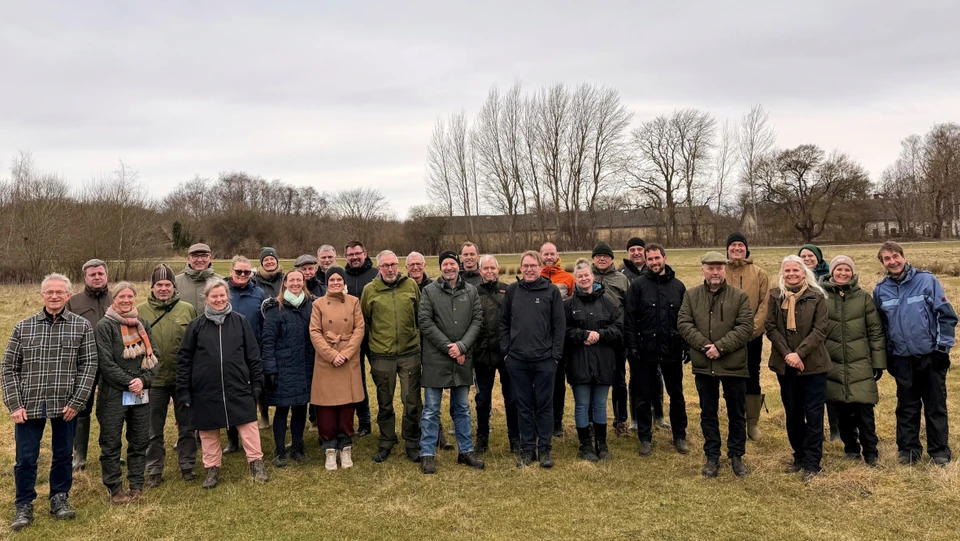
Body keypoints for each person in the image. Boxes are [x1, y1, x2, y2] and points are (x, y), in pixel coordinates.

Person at [2, 273, 97, 531]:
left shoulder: (81, 327)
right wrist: (15, 404)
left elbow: (89, 366)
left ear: (68, 295)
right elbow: (9, 368)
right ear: (42, 295)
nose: (54, 296)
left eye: (60, 292)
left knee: (63, 455)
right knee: (25, 458)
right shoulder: (24, 327)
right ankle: (24, 504)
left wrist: (77, 402)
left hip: (66, 405)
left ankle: (59, 498)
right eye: (50, 292)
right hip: (30, 404)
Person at [177, 279, 268, 489]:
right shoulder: (196, 326)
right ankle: (212, 468)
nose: (219, 299)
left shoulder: (240, 322)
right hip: (205, 390)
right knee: (208, 431)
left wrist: (257, 383)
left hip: (238, 386)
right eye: (214, 296)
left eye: (222, 295)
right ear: (206, 299)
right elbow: (184, 360)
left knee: (248, 426)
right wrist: (184, 389)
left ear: (228, 296)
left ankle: (256, 462)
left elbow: (253, 355)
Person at [873, 241, 957, 466]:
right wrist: (887, 356)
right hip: (902, 359)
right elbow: (881, 327)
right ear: (882, 263)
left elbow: (946, 316)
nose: (892, 262)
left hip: (930, 356)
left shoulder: (927, 281)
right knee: (907, 406)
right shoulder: (880, 290)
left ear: (903, 256)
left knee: (935, 405)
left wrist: (942, 349)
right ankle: (908, 450)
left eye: (895, 256)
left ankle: (939, 451)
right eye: (887, 259)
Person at [678, 252, 754, 478]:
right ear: (703, 270)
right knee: (708, 412)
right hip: (705, 365)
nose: (715, 272)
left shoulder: (739, 297)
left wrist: (720, 347)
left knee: (736, 412)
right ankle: (712, 456)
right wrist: (705, 346)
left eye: (719, 268)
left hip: (733, 365)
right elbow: (684, 323)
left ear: (725, 270)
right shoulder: (691, 295)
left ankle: (736, 455)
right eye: (710, 268)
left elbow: (745, 327)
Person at [418, 251, 485, 474]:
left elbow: (477, 321)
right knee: (431, 410)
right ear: (440, 267)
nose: (449, 268)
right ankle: (427, 453)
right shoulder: (429, 291)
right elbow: (425, 322)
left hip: (462, 359)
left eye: (452, 264)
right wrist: (450, 348)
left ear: (458, 266)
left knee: (462, 408)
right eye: (445, 264)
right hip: (436, 359)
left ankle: (465, 451)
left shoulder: (471, 291)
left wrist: (462, 347)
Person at [766, 255, 831, 481]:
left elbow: (820, 329)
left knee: (813, 415)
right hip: (786, 366)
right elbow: (771, 327)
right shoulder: (775, 296)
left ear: (804, 273)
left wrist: (799, 354)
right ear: (782, 273)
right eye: (787, 271)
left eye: (796, 270)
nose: (791, 274)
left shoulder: (817, 296)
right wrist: (788, 355)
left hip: (813, 365)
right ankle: (799, 457)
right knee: (793, 414)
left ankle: (813, 463)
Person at [95, 282, 159, 504]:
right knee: (111, 441)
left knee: (139, 440)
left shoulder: (142, 324)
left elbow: (155, 356)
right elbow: (105, 362)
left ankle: (136, 485)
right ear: (114, 299)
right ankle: (114, 488)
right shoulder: (105, 326)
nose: (126, 300)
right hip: (112, 394)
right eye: (121, 296)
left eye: (130, 296)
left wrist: (143, 381)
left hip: (140, 394)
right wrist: (130, 382)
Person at [500, 251, 565, 468]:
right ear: (521, 267)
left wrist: (555, 356)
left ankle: (544, 450)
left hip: (544, 359)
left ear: (540, 267)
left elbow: (559, 326)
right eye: (525, 266)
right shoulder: (512, 291)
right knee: (524, 406)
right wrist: (506, 352)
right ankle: (528, 450)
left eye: (533, 266)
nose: (529, 269)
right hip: (517, 360)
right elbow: (504, 323)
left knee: (545, 406)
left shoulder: (551, 291)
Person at [624, 243, 689, 457]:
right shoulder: (638, 286)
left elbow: (685, 320)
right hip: (645, 351)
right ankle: (645, 437)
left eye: (657, 258)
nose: (654, 262)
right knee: (643, 396)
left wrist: (686, 345)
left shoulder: (678, 287)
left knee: (676, 394)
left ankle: (679, 435)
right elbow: (630, 320)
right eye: (650, 259)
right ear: (646, 260)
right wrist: (632, 346)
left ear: (664, 258)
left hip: (671, 350)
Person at [821, 255, 886, 466]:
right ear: (832, 272)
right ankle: (851, 448)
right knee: (841, 410)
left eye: (847, 270)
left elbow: (875, 331)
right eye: (839, 269)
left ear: (852, 272)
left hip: (860, 363)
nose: (843, 273)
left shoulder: (863, 297)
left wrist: (878, 362)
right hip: (833, 363)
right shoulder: (821, 297)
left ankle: (871, 452)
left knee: (864, 410)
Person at [361, 250, 423, 463]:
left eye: (393, 264)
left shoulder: (411, 286)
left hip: (409, 353)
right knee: (384, 402)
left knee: (412, 400)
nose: (390, 269)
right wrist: (372, 350)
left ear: (399, 265)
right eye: (385, 265)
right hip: (382, 355)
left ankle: (412, 442)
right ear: (378, 268)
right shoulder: (370, 290)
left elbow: (419, 316)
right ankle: (386, 441)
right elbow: (365, 322)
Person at [141, 264, 199, 488]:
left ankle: (187, 465)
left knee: (187, 425)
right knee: (153, 429)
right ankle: (154, 469)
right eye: (159, 285)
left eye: (167, 284)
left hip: (182, 378)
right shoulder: (140, 311)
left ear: (174, 287)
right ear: (152, 287)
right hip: (153, 380)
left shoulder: (187, 309)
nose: (163, 288)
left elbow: (196, 342)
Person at [565, 259, 623, 462]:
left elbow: (618, 328)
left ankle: (602, 443)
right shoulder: (568, 305)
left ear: (592, 277)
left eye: (587, 275)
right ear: (575, 279)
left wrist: (600, 334)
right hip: (579, 361)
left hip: (603, 361)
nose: (584, 279)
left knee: (600, 404)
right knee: (582, 404)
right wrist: (582, 335)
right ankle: (585, 444)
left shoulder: (608, 302)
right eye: (580, 276)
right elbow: (563, 331)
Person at [310, 266, 365, 470]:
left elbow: (359, 329)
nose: (335, 283)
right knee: (326, 407)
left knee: (346, 406)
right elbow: (315, 332)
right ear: (327, 282)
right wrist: (332, 355)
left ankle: (346, 445)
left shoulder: (354, 301)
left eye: (338, 279)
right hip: (326, 360)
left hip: (348, 359)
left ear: (344, 282)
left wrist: (346, 353)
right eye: (331, 280)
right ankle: (330, 448)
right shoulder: (318, 304)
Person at [261, 270, 315, 467]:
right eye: (291, 280)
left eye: (299, 280)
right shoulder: (275, 308)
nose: (295, 283)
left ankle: (298, 446)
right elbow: (267, 342)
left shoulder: (311, 306)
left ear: (303, 282)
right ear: (285, 283)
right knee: (282, 409)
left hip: (305, 364)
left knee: (301, 408)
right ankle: (280, 450)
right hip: (284, 366)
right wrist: (270, 369)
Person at [65, 259, 112, 472]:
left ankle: (110, 452)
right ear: (85, 277)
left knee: (111, 410)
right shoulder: (73, 302)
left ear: (106, 275)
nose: (97, 277)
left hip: (111, 365)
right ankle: (79, 455)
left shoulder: (117, 298)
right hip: (83, 365)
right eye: (92, 274)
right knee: (82, 409)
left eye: (100, 273)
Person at [618, 238, 666, 434]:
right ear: (628, 253)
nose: (636, 252)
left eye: (639, 249)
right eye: (632, 249)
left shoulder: (656, 269)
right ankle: (636, 418)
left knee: (657, 375)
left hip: (654, 333)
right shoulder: (622, 273)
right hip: (633, 334)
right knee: (636, 377)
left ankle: (659, 414)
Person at [725, 232, 770, 442]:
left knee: (752, 375)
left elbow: (765, 305)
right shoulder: (720, 270)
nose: (737, 248)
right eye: (733, 245)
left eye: (740, 245)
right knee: (729, 378)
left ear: (746, 249)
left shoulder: (759, 273)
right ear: (727, 249)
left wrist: (750, 330)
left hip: (751, 336)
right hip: (725, 337)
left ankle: (752, 423)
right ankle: (735, 419)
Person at [474, 255, 519, 453]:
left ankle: (515, 438)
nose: (490, 271)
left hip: (507, 353)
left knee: (512, 398)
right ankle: (482, 438)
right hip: (482, 353)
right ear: (480, 271)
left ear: (498, 269)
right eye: (486, 268)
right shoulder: (473, 292)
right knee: (483, 400)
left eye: (493, 268)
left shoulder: (509, 290)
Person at [590, 241, 631, 437]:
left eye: (605, 256)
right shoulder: (586, 277)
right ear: (593, 259)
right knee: (591, 380)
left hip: (616, 338)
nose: (602, 259)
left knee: (619, 381)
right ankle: (591, 421)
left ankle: (620, 421)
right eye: (598, 256)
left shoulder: (621, 279)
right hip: (592, 338)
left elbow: (629, 307)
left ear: (612, 259)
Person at [227, 256, 269, 440]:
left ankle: (249, 434)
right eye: (239, 271)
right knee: (229, 393)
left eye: (247, 272)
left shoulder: (259, 294)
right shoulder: (222, 292)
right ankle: (232, 438)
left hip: (252, 351)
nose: (243, 274)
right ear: (231, 272)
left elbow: (265, 323)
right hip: (228, 352)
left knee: (252, 393)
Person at [800, 243, 839, 441]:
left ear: (819, 257)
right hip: (805, 338)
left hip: (828, 335)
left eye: (811, 256)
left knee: (830, 384)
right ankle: (815, 429)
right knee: (809, 388)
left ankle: (835, 429)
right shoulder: (798, 278)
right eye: (803, 256)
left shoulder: (831, 277)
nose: (807, 259)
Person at [540, 242, 575, 438]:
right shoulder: (535, 276)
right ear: (541, 256)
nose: (549, 257)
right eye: (545, 254)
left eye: (552, 254)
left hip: (560, 338)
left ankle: (557, 421)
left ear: (557, 255)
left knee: (558, 380)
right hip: (539, 337)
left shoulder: (568, 278)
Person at [345, 240, 378, 437]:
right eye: (351, 254)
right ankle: (364, 422)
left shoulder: (376, 274)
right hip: (351, 339)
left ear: (365, 253)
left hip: (374, 337)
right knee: (358, 381)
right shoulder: (342, 276)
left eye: (358, 253)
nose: (355, 257)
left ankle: (385, 419)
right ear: (346, 256)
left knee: (381, 379)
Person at [175, 243, 224, 313]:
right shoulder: (175, 282)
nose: (200, 260)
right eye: (195, 256)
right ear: (188, 259)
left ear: (210, 258)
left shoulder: (222, 282)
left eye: (204, 256)